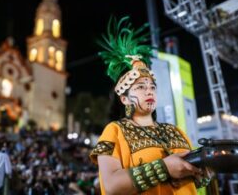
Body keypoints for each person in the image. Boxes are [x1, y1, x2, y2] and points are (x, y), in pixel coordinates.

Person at [89, 16, 212, 195]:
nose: (149, 91)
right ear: (124, 99)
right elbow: (111, 186)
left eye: (152, 87)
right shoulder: (115, 130)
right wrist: (164, 168)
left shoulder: (175, 131)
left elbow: (197, 184)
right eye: (140, 87)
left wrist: (206, 171)